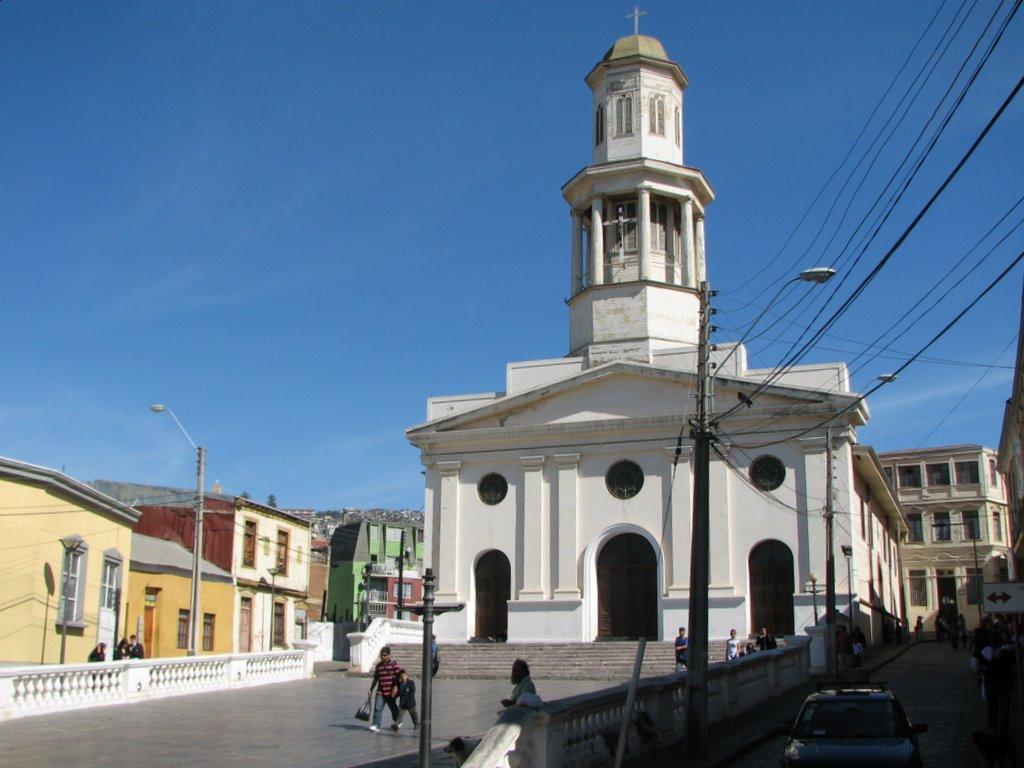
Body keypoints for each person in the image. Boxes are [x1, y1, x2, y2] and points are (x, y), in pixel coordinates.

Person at [367, 646, 401, 733]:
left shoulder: (394, 664)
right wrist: (371, 689)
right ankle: (376, 725)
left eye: (385, 655)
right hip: (381, 691)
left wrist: (396, 686)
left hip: (390, 692)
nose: (383, 657)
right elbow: (376, 678)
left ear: (389, 655)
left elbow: (399, 676)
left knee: (393, 708)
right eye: (381, 655)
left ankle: (398, 721)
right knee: (377, 708)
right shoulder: (378, 666)